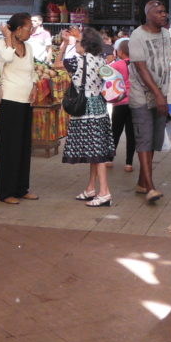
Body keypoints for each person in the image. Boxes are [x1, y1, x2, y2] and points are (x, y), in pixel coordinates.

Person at [62, 27, 115, 207]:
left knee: (97, 154)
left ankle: (104, 192)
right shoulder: (101, 60)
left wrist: (66, 44)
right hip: (99, 107)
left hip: (85, 109)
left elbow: (56, 63)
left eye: (78, 42)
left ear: (85, 45)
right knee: (96, 151)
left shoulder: (76, 61)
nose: (76, 44)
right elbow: (110, 78)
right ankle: (91, 188)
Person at [129, 0, 171, 203]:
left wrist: (162, 95)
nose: (164, 15)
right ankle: (151, 187)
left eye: (164, 11)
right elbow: (141, 68)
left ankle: (142, 181)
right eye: (159, 12)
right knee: (144, 140)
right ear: (148, 15)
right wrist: (157, 95)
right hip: (142, 96)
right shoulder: (137, 36)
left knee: (154, 140)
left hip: (161, 94)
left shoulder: (165, 34)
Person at [0, 13, 38, 205]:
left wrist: (35, 86)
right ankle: (6, 192)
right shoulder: (1, 44)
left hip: (26, 102)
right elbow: (7, 57)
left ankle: (22, 188)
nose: (31, 31)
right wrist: (7, 36)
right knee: (9, 148)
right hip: (9, 102)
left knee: (23, 146)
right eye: (29, 27)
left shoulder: (28, 47)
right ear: (18, 29)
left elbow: (33, 70)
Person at [109, 38, 135, 173]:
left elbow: (103, 73)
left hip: (120, 102)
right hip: (134, 102)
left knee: (115, 131)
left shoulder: (117, 65)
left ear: (120, 52)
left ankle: (109, 159)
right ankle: (129, 163)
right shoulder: (137, 64)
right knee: (131, 133)